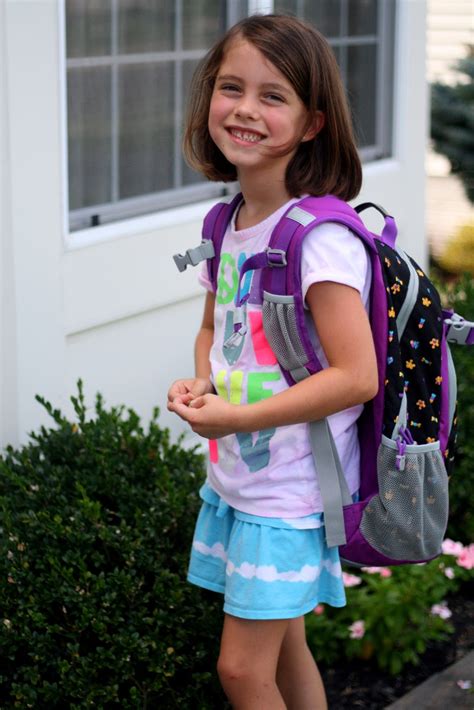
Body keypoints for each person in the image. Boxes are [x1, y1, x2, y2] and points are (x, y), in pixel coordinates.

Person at [168, 13, 378, 709]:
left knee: (240, 670)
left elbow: (357, 376)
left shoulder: (320, 241)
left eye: (273, 95)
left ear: (314, 122)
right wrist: (203, 383)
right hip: (239, 482)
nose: (246, 109)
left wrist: (239, 417)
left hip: (288, 495)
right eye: (232, 87)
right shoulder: (225, 224)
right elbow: (212, 328)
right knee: (286, 650)